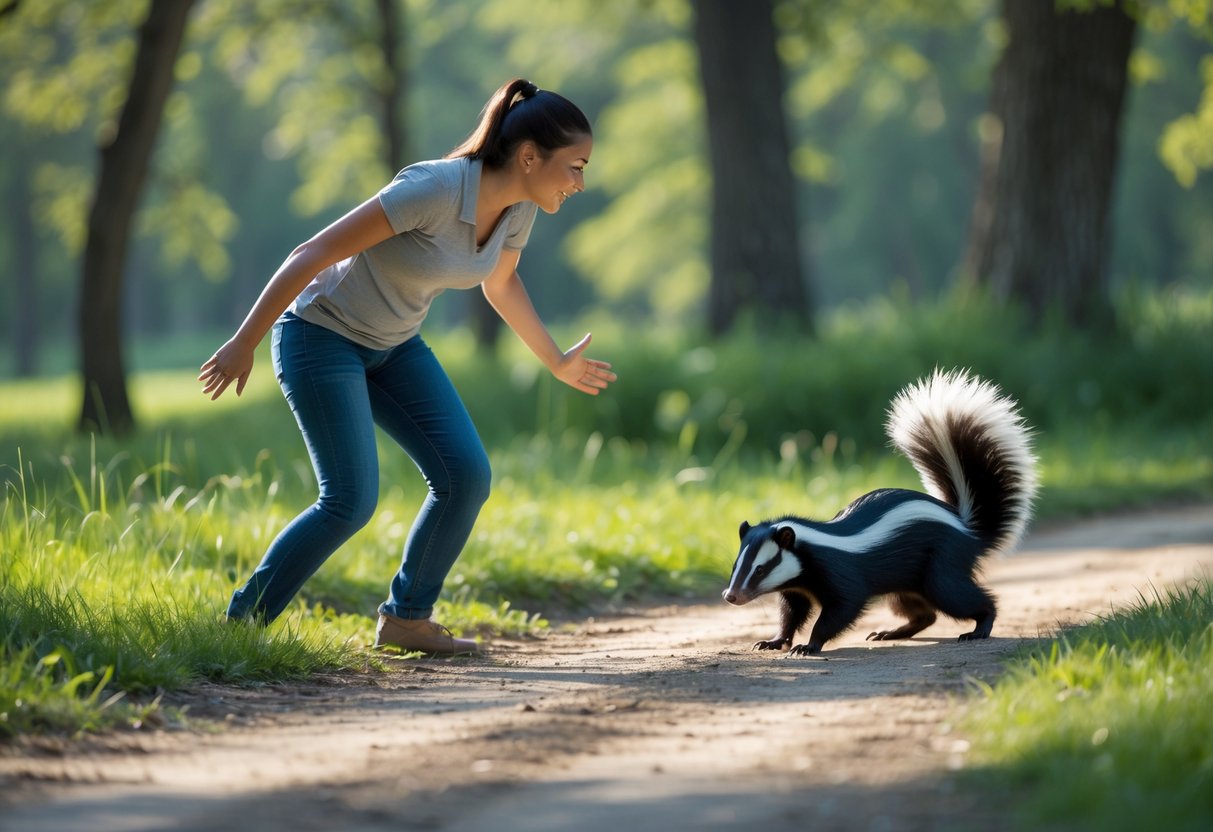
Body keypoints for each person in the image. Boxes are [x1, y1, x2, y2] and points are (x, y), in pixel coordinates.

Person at [198, 78, 615, 655]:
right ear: (528, 156)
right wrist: (245, 340)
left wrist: (556, 361)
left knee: (465, 475)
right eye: (575, 166)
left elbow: (500, 281)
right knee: (349, 500)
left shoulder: (520, 208)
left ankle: (406, 620)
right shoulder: (434, 189)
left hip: (394, 345)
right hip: (320, 336)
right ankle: (237, 628)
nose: (580, 182)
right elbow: (312, 254)